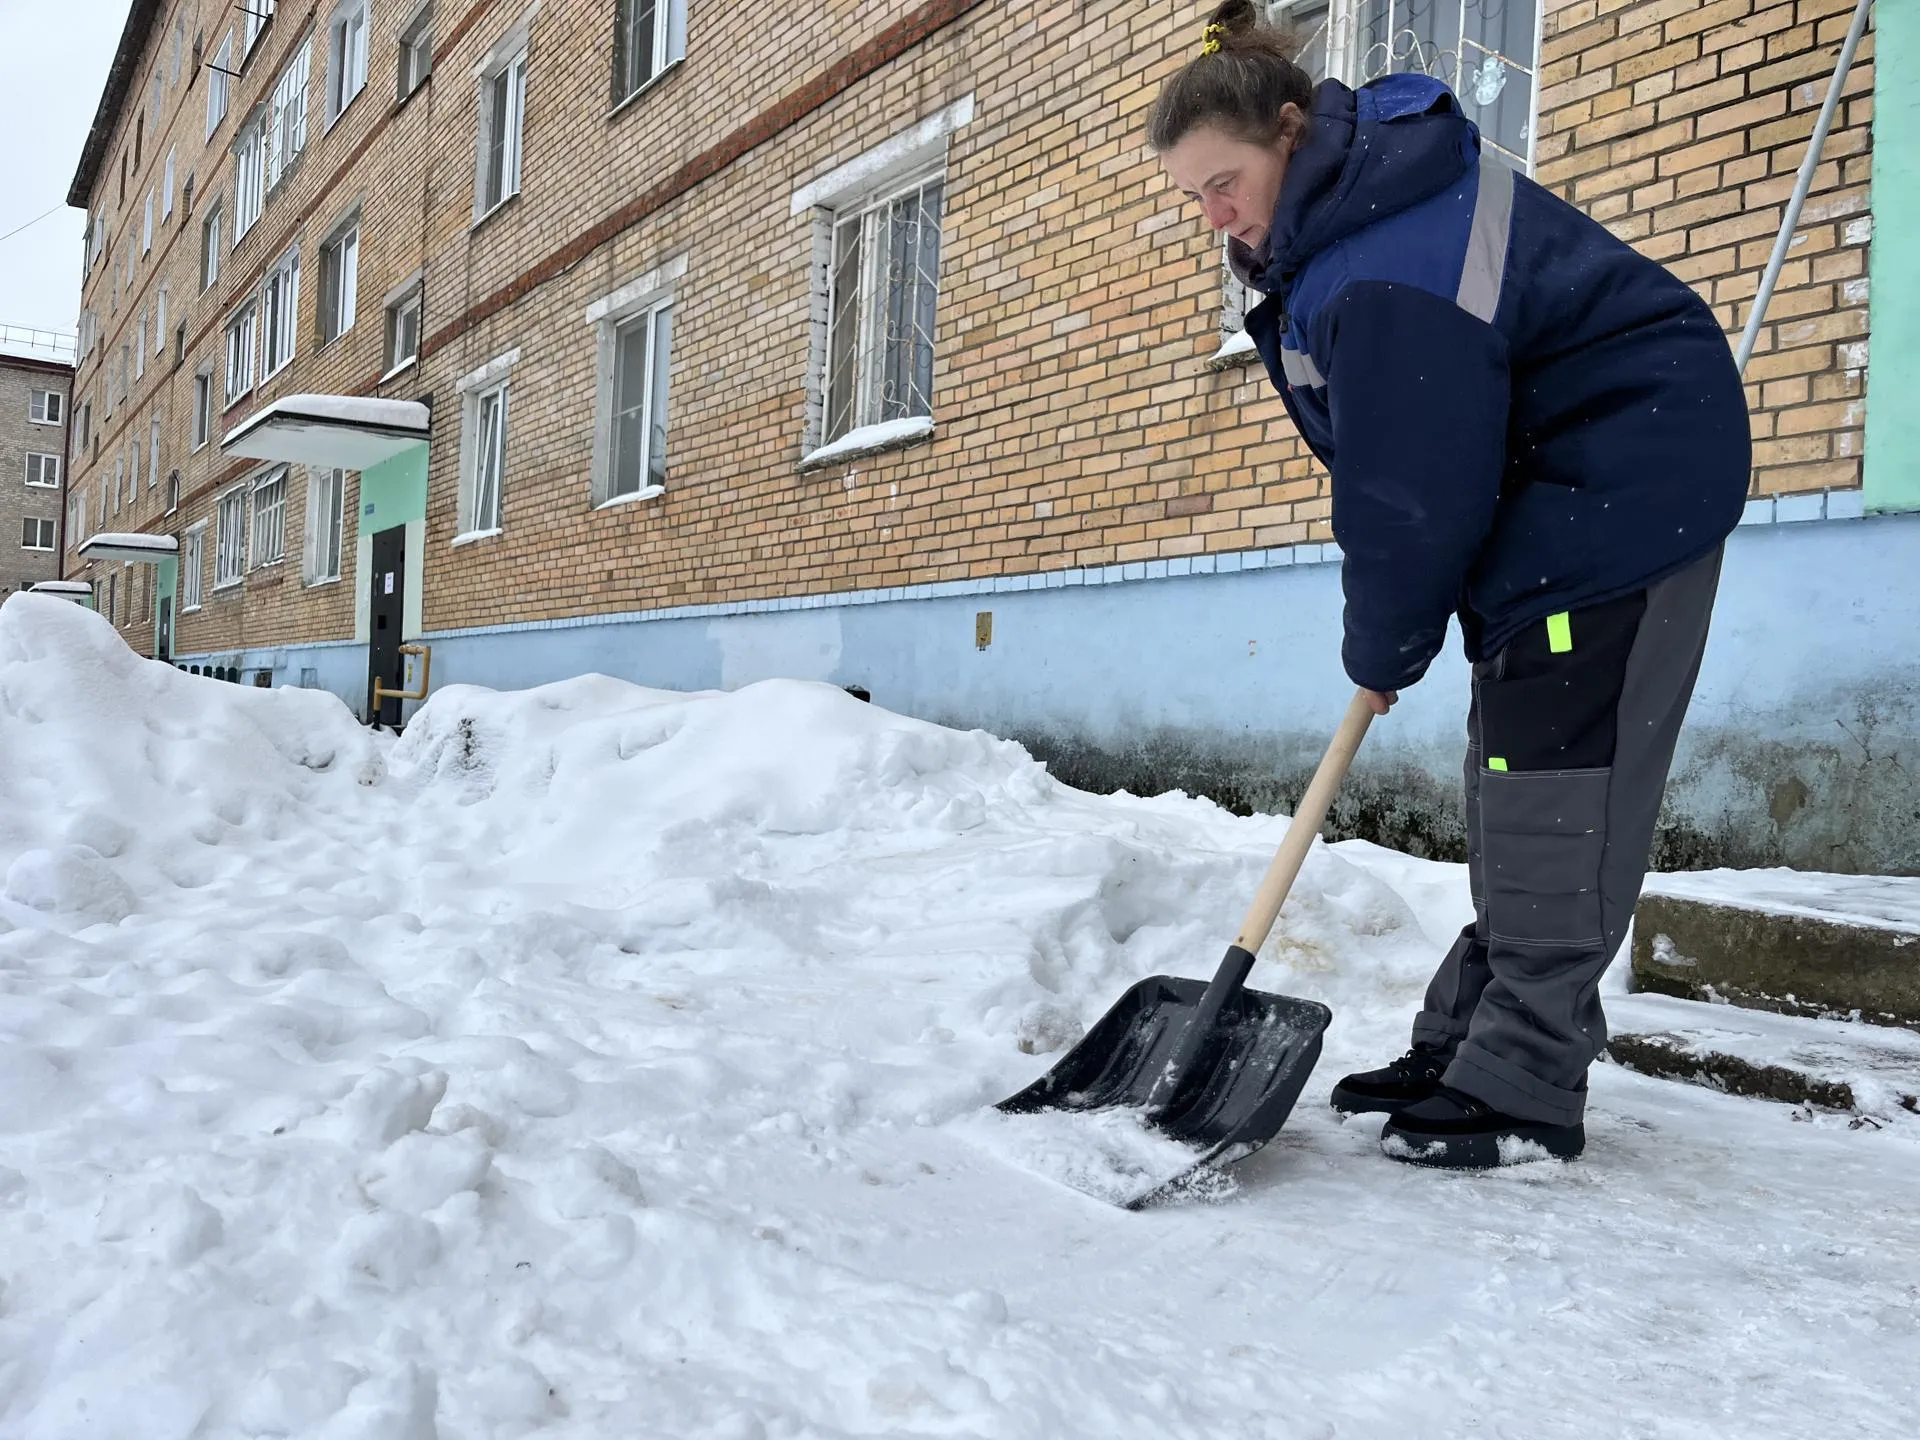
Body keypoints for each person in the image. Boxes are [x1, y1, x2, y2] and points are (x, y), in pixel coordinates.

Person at [1147, 1, 1752, 1168]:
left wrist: (1383, 648)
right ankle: (1471, 1038)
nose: (1214, 218)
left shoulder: (1380, 265)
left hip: (1618, 495)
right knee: (1518, 778)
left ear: (1288, 131)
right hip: (1557, 501)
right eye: (1195, 200)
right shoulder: (1358, 218)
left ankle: (1524, 1080)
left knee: (1558, 791)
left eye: (1225, 183)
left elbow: (1409, 488)